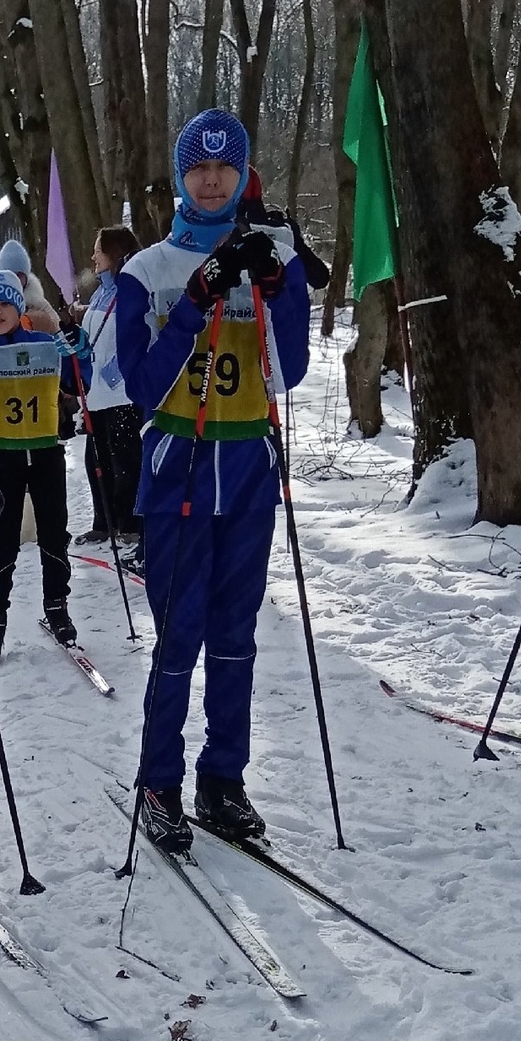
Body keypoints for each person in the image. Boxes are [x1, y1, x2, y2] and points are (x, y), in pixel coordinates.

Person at [115, 107, 311, 851]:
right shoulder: (148, 271)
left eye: (226, 168)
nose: (211, 178)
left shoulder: (275, 259)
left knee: (237, 637)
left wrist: (277, 286)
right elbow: (140, 386)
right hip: (179, 469)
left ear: (241, 175)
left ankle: (221, 778)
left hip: (249, 471)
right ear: (180, 174)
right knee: (179, 637)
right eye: (198, 165)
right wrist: (194, 304)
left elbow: (287, 371)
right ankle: (159, 778)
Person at [0, 270, 86, 665]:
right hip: (4, 456)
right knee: (4, 541)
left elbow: (77, 379)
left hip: (46, 452)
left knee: (53, 534)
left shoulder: (44, 343)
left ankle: (57, 607)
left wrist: (76, 350)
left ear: (19, 307)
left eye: (5, 305)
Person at [75, 225, 143, 555]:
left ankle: (129, 522)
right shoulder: (100, 293)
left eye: (98, 251)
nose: (92, 257)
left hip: (122, 394)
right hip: (96, 394)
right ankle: (103, 521)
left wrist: (118, 370)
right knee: (95, 458)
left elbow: (138, 333)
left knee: (125, 460)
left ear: (114, 253)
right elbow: (92, 339)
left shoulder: (130, 289)